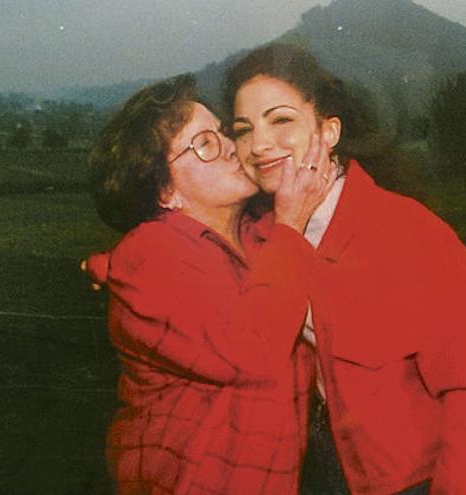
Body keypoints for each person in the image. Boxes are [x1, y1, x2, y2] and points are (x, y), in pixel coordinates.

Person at [224, 44, 466, 495]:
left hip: (407, 480)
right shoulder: (256, 237)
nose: (258, 145)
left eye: (281, 120)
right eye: (243, 129)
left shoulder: (410, 233)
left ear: (329, 130)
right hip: (304, 473)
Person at [85, 73, 337, 494]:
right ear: (166, 191)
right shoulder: (149, 256)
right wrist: (292, 224)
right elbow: (250, 353)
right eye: (204, 144)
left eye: (223, 132)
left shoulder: (260, 238)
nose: (230, 149)